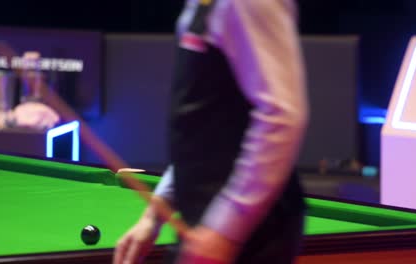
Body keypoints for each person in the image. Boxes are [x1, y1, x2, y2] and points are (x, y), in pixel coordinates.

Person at [114, 0, 309, 263]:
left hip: (250, 235)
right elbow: (206, 131)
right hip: (207, 223)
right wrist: (155, 214)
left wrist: (225, 232)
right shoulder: (201, 5)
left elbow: (282, 117)